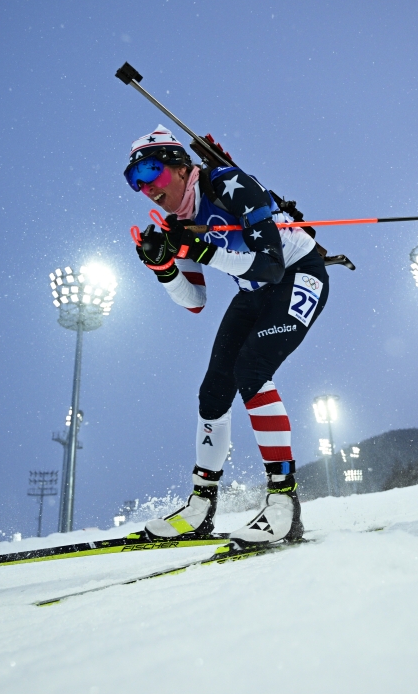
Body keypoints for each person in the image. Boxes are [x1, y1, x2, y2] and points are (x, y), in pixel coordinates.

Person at [125, 125, 330, 545]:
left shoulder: (232, 186)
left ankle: (283, 504)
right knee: (213, 390)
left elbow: (271, 265)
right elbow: (194, 299)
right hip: (253, 291)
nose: (146, 187)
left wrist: (204, 251)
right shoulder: (176, 221)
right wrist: (163, 268)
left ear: (182, 167)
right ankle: (200, 506)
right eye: (135, 180)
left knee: (252, 370)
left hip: (297, 274)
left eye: (152, 172)